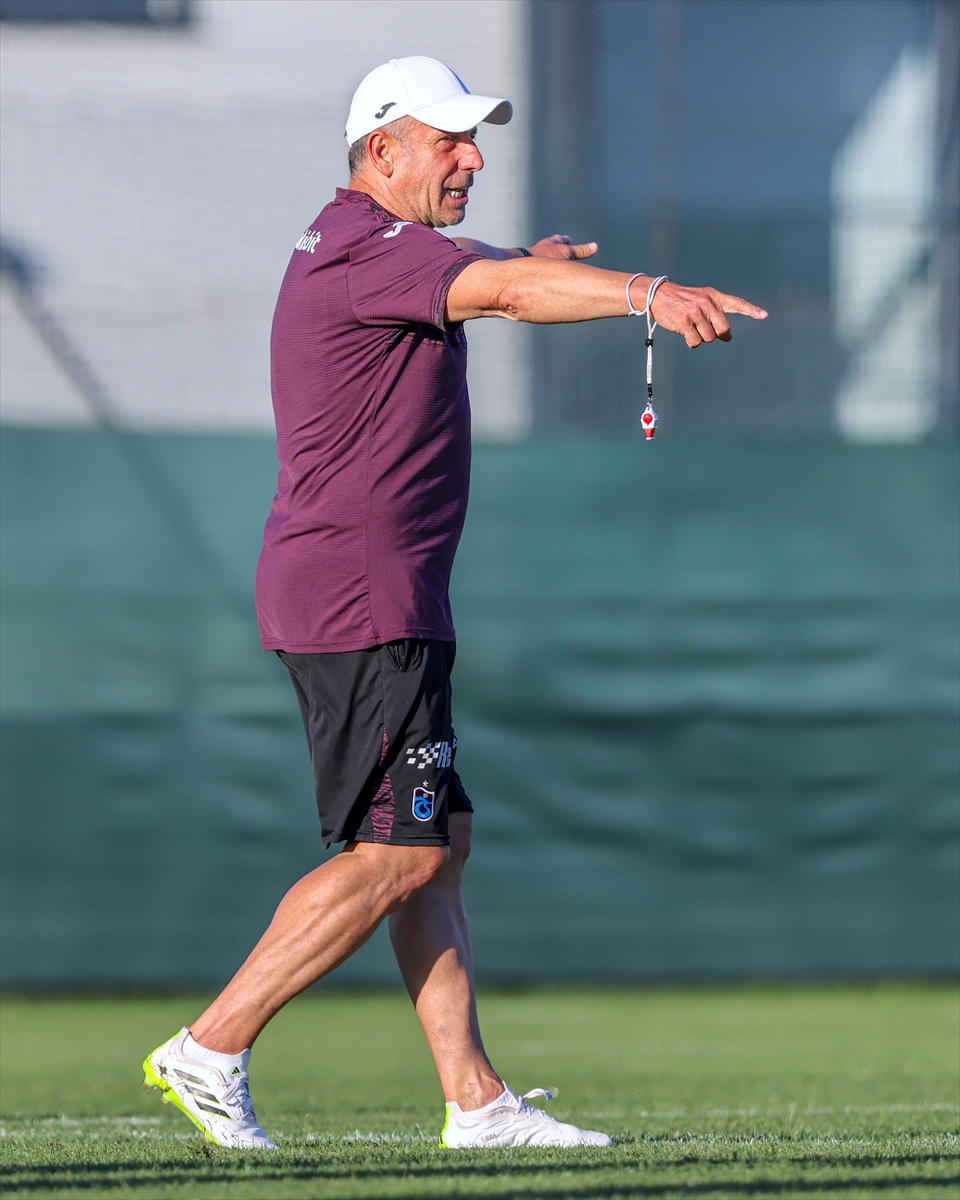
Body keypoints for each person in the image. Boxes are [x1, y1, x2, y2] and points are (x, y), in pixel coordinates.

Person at [142, 56, 767, 1151]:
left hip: (377, 594)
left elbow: (495, 274)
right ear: (382, 152)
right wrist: (648, 294)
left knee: (439, 840)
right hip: (362, 597)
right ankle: (211, 1046)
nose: (474, 158)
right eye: (450, 141)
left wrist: (528, 263)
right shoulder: (368, 250)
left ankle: (476, 1103)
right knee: (399, 851)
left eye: (476, 139)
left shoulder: (371, 244)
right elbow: (506, 293)